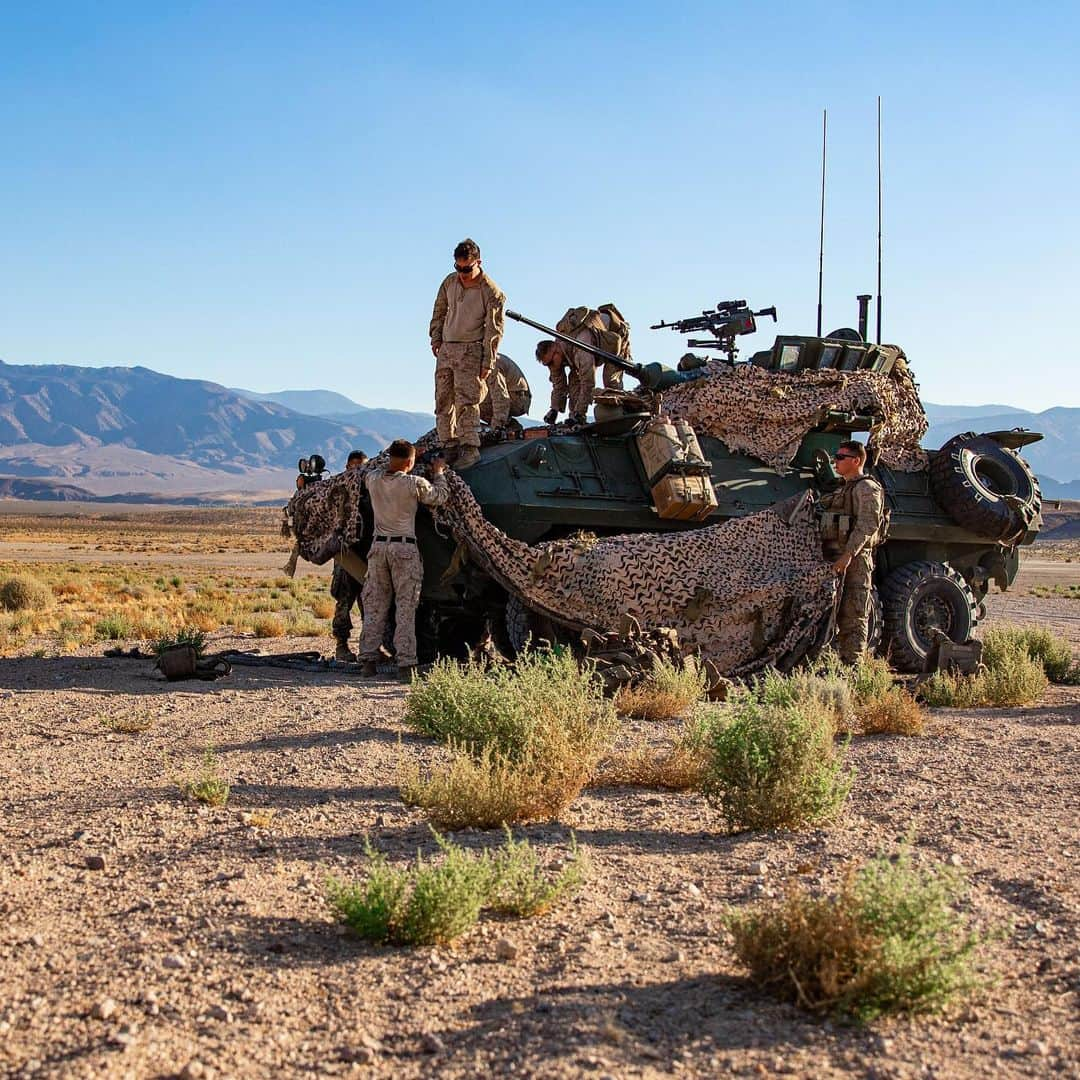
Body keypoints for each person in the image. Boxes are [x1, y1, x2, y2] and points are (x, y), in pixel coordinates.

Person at [358, 440, 449, 681]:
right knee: (406, 609)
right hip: (404, 550)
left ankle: (368, 661)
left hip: (378, 550)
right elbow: (439, 496)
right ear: (411, 463)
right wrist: (439, 472)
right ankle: (406, 665)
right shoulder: (413, 483)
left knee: (375, 608)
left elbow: (373, 469)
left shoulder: (373, 480)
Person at [429, 239, 506, 470]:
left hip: (471, 350)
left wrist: (488, 361)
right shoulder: (449, 282)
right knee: (443, 401)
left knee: (467, 401)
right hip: (447, 349)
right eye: (458, 268)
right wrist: (436, 337)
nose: (462, 273)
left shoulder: (491, 292)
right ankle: (448, 445)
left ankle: (469, 448)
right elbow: (439, 310)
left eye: (466, 268)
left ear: (478, 262)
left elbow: (494, 330)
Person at [818, 439, 886, 663]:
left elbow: (868, 524)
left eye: (840, 457)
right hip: (836, 558)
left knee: (853, 614)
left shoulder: (867, 488)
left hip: (854, 560)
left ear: (856, 461)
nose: (835, 462)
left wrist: (848, 555)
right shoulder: (844, 489)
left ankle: (853, 665)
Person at [536, 305, 629, 425]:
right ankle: (575, 418)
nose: (551, 366)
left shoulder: (581, 346)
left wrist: (580, 412)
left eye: (550, 362)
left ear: (556, 349)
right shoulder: (556, 355)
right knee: (575, 380)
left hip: (615, 336)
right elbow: (559, 384)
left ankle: (618, 419)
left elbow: (588, 381)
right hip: (589, 347)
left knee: (610, 382)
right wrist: (554, 409)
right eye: (547, 365)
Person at [330, 450, 368, 662]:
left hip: (365, 556)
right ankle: (341, 645)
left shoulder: (370, 489)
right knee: (344, 602)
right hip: (346, 556)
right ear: (347, 467)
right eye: (354, 467)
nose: (357, 471)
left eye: (361, 467)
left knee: (369, 605)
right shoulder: (339, 491)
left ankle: (369, 647)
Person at [480, 352, 532, 430]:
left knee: (472, 400)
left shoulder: (489, 363)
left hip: (519, 398)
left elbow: (501, 396)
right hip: (514, 395)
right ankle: (509, 424)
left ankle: (504, 425)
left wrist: (496, 427)